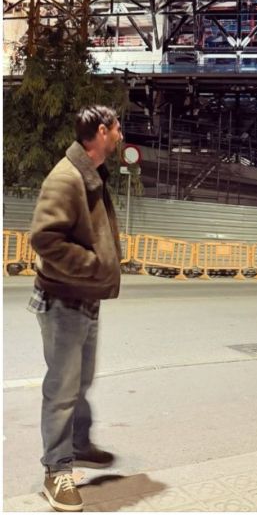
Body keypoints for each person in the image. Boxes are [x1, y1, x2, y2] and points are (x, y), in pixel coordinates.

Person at [28, 105, 124, 511]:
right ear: (101, 131)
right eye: (117, 128)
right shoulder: (66, 178)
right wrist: (94, 266)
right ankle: (56, 471)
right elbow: (44, 239)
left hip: (84, 297)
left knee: (81, 381)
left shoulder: (92, 174)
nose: (121, 135)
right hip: (64, 299)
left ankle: (79, 443)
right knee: (63, 389)